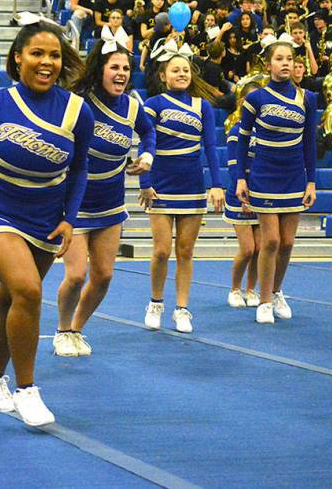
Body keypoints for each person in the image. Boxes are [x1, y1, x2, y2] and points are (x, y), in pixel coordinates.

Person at [0, 20, 92, 427]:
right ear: (18, 57)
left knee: (10, 298)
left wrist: (70, 219)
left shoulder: (76, 111)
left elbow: (80, 169)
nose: (46, 62)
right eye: (37, 53)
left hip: (45, 220)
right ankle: (27, 389)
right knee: (28, 289)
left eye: (54, 55)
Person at [53, 31, 156, 357]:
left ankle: (77, 329)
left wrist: (147, 156)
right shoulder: (80, 103)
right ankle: (61, 329)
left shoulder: (131, 107)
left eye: (126, 68)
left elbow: (148, 131)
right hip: (75, 202)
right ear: (101, 69)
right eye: (115, 67)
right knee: (76, 274)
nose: (122, 74)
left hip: (111, 203)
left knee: (104, 275)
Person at [139, 51, 225, 334]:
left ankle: (182, 309)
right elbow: (146, 143)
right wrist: (145, 182)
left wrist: (216, 184)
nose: (182, 74)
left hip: (191, 185)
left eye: (186, 70)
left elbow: (211, 148)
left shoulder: (202, 106)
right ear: (163, 76)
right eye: (175, 70)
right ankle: (155, 303)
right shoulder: (153, 104)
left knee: (185, 251)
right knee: (162, 251)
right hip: (161, 185)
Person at [236, 41, 317, 324]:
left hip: (294, 175)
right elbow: (243, 138)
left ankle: (278, 290)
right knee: (270, 240)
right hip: (264, 174)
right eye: (279, 58)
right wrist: (240, 178)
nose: (285, 63)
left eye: (289, 58)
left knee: (287, 242)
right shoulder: (256, 98)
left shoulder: (307, 98)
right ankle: (265, 300)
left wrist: (311, 182)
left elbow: (309, 142)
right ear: (268, 64)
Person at [225, 81, 262, 309]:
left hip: (261, 192)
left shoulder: (268, 132)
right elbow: (233, 167)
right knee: (247, 248)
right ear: (242, 103)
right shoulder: (236, 130)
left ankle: (251, 289)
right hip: (240, 193)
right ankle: (235, 289)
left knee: (260, 248)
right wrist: (244, 195)